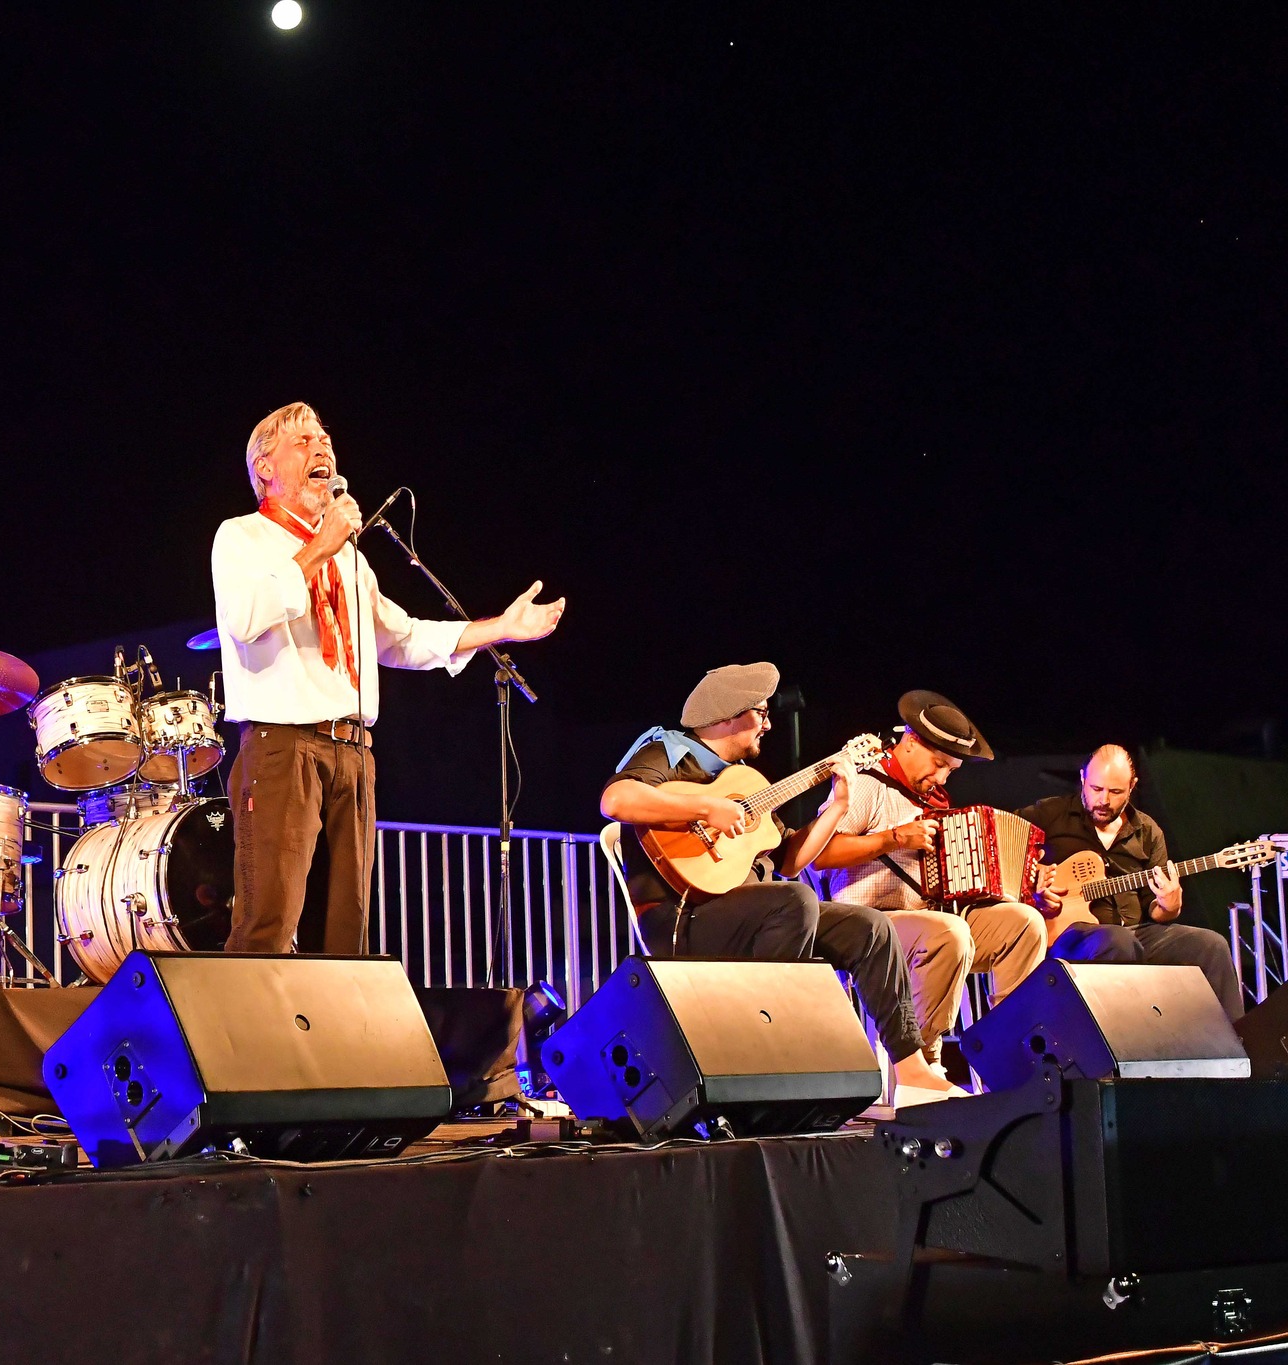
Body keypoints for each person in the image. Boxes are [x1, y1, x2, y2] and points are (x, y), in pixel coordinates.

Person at [213, 401, 565, 955]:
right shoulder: (242, 537)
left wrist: (501, 628)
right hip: (282, 750)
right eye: (303, 442)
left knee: (345, 934)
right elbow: (245, 619)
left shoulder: (350, 561)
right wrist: (321, 546)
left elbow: (399, 638)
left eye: (325, 441)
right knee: (268, 925)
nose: (322, 449)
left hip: (355, 753)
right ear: (265, 467)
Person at [599, 662, 932, 1098]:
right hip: (684, 918)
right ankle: (771, 1051)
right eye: (761, 712)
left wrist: (836, 808)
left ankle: (911, 1070)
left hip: (760, 915)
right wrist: (706, 808)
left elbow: (788, 861)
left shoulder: (742, 779)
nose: (768, 724)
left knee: (871, 927)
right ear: (728, 715)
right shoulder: (668, 751)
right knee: (794, 901)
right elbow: (616, 799)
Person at [807, 691, 1045, 1092]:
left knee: (1025, 924)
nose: (943, 778)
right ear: (911, 742)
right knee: (949, 933)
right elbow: (819, 855)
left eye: (951, 770)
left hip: (932, 922)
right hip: (872, 928)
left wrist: (1001, 882)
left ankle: (1008, 1054)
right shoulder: (868, 785)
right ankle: (921, 1066)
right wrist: (894, 838)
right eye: (939, 764)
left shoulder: (933, 800)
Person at [1022, 745, 1242, 1020]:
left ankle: (1240, 1041)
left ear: (1132, 787)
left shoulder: (1147, 831)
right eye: (1096, 788)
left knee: (1212, 945)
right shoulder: (1050, 815)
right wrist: (1033, 877)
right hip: (1070, 937)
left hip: (1136, 934)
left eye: (1115, 792)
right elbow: (1001, 846)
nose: (1104, 800)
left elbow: (1156, 911)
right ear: (1082, 778)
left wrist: (1169, 906)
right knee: (1117, 941)